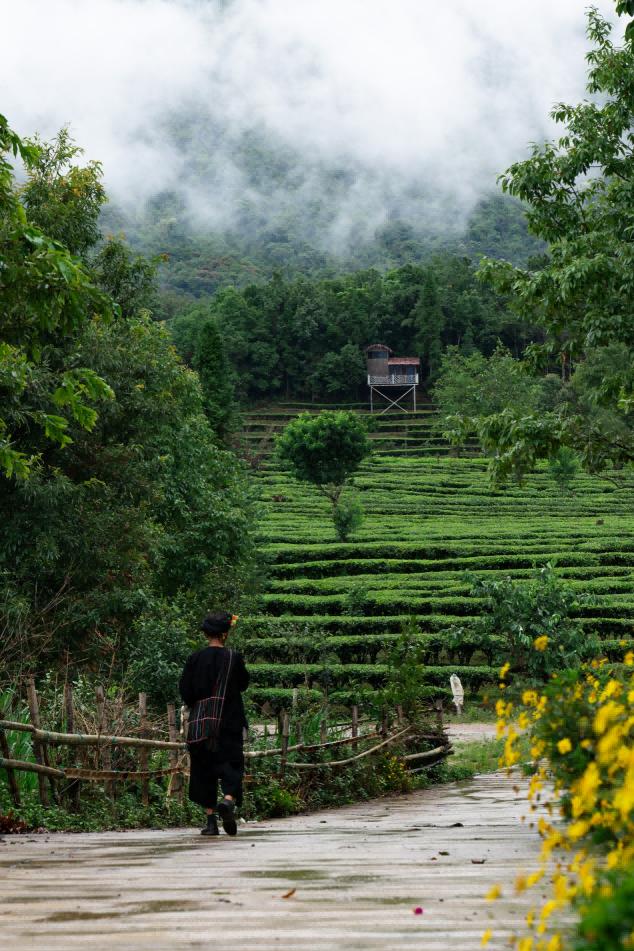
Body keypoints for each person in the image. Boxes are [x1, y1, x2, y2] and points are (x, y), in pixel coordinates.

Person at [179, 611, 249, 836]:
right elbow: (244, 684)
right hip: (229, 721)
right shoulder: (233, 658)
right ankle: (228, 800)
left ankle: (211, 822)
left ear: (205, 633)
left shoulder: (195, 658)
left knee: (202, 770)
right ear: (225, 634)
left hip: (202, 723)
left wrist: (201, 705)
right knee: (233, 764)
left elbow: (186, 692)